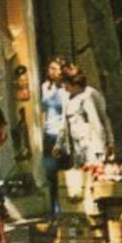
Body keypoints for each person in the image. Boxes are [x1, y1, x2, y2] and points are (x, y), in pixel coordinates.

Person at [60, 66, 114, 164]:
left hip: (92, 145)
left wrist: (108, 142)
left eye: (66, 83)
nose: (64, 86)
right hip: (78, 147)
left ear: (74, 83)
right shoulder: (69, 98)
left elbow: (102, 119)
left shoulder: (90, 94)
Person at [40, 56, 69, 191]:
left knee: (65, 170)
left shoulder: (66, 89)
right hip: (49, 134)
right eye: (51, 68)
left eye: (57, 69)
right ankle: (54, 205)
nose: (53, 72)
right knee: (50, 172)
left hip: (63, 134)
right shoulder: (44, 87)